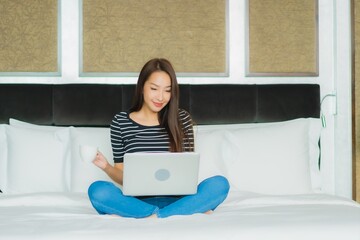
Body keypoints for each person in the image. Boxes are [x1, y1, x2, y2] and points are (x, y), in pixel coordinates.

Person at [88, 58, 230, 218]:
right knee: (98, 190)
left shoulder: (182, 119)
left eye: (167, 90)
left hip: (178, 200)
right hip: (137, 202)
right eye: (154, 88)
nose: (161, 97)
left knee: (220, 184)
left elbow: (187, 171)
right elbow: (123, 178)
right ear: (142, 87)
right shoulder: (121, 122)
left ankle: (154, 216)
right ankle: (176, 213)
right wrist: (106, 166)